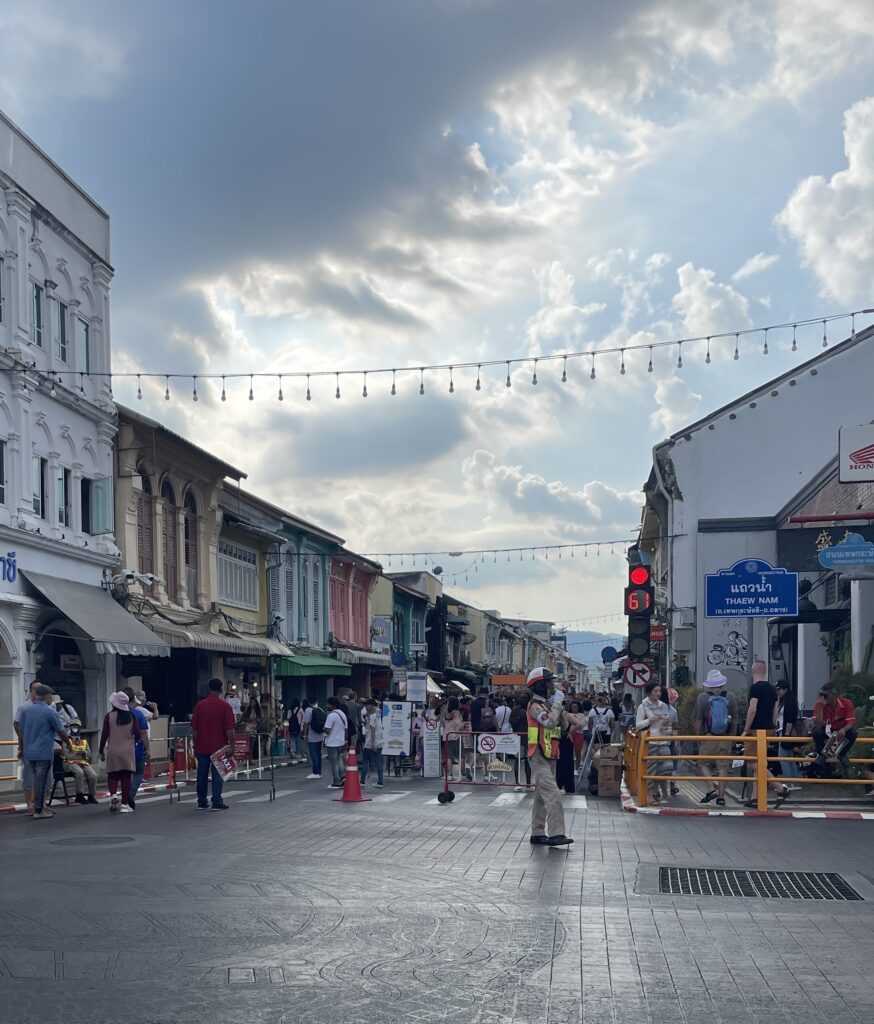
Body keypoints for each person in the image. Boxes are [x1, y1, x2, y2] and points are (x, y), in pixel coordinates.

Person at [526, 667, 575, 846]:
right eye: (548, 682)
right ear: (539, 685)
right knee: (553, 794)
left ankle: (537, 832)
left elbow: (562, 726)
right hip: (538, 754)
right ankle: (556, 834)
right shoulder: (535, 706)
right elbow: (549, 722)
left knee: (541, 795)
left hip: (550, 754)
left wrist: (560, 707)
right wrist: (556, 705)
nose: (551, 686)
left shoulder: (547, 704)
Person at [742, 659, 790, 807]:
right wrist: (774, 724)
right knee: (760, 759)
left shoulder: (755, 688)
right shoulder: (771, 689)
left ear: (753, 671)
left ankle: (779, 787)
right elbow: (775, 709)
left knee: (752, 762)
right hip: (769, 728)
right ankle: (756, 797)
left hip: (756, 728)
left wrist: (746, 729)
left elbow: (752, 709)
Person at [18, 684, 68, 820]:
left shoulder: (26, 711)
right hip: (43, 751)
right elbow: (60, 731)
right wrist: (68, 743)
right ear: (46, 696)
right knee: (42, 780)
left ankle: (38, 806)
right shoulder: (49, 711)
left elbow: (21, 731)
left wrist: (21, 748)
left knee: (34, 780)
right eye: (50, 695)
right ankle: (39, 809)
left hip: (29, 751)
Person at [190, 678, 236, 810]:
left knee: (202, 774)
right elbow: (229, 729)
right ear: (221, 689)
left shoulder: (200, 705)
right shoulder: (225, 706)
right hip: (219, 747)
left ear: (209, 688)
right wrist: (232, 746)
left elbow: (195, 729)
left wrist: (195, 745)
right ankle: (217, 801)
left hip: (202, 746)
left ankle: (201, 801)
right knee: (217, 774)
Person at [695, 669, 738, 806]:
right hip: (725, 737)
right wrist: (732, 735)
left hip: (709, 736)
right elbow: (735, 717)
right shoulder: (730, 696)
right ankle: (721, 797)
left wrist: (698, 736)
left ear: (708, 684)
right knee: (723, 767)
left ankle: (711, 789)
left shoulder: (703, 697)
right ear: (722, 683)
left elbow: (699, 719)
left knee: (702, 763)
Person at [99, 691, 145, 814]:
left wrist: (101, 750)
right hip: (128, 750)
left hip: (113, 749)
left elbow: (104, 734)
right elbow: (138, 733)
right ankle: (124, 804)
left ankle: (113, 795)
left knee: (112, 775)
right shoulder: (131, 716)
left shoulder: (109, 716)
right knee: (126, 777)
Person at [14, 679, 46, 815]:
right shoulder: (24, 707)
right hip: (29, 748)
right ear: (30, 691)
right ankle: (29, 805)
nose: (37, 692)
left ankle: (42, 804)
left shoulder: (47, 707)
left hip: (44, 748)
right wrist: (22, 743)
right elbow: (16, 724)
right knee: (29, 778)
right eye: (34, 689)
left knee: (44, 778)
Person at [636, 682, 671, 804]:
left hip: (663, 739)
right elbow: (638, 725)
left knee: (666, 768)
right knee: (650, 769)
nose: (658, 693)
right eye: (655, 691)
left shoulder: (663, 706)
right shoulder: (643, 706)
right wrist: (649, 720)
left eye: (659, 691)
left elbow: (667, 722)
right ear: (649, 692)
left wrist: (665, 722)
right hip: (649, 741)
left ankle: (665, 794)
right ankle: (650, 795)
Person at [812, 682, 857, 776]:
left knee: (852, 732)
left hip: (840, 730)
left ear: (833, 695)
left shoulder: (846, 703)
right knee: (817, 732)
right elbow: (817, 724)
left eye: (825, 695)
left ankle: (838, 754)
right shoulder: (819, 704)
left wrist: (844, 729)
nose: (822, 697)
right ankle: (826, 756)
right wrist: (820, 707)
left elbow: (851, 722)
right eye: (821, 695)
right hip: (827, 730)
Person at [123, 687, 151, 804]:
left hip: (121, 748)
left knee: (125, 774)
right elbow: (144, 733)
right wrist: (148, 749)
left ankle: (124, 796)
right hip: (136, 748)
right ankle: (131, 794)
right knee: (139, 772)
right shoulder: (138, 714)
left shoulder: (115, 714)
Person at [64, 719, 98, 804]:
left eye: (76, 727)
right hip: (70, 762)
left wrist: (82, 753)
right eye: (73, 726)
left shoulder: (83, 740)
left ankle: (91, 795)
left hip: (83, 762)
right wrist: (78, 753)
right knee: (79, 773)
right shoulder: (66, 739)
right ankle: (79, 795)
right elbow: (66, 754)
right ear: (70, 728)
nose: (75, 728)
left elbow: (89, 754)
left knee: (93, 775)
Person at [775, 681, 801, 787]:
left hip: (786, 732)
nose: (778, 692)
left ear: (785, 689)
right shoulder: (784, 701)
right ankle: (795, 782)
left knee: (783, 757)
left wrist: (786, 734)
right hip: (783, 730)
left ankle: (790, 783)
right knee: (789, 757)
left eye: (780, 689)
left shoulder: (789, 701)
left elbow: (790, 719)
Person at [324, 696, 348, 789]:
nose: (327, 706)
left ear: (332, 705)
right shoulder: (343, 714)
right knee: (340, 761)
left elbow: (328, 730)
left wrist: (323, 729)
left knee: (334, 763)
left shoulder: (331, 716)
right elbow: (346, 729)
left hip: (332, 743)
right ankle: (343, 778)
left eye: (328, 704)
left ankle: (336, 781)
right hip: (341, 742)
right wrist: (345, 741)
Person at [361, 698, 384, 787]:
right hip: (380, 741)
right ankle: (380, 781)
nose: (365, 707)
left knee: (365, 761)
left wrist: (373, 743)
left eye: (367, 705)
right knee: (379, 762)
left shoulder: (372, 716)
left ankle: (362, 781)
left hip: (370, 742)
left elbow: (373, 729)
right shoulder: (378, 712)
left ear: (371, 705)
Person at [509, 697, 531, 786]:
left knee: (527, 761)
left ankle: (528, 782)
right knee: (518, 760)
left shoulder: (530, 710)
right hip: (519, 738)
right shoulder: (516, 710)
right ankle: (517, 782)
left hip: (528, 738)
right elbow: (511, 721)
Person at [303, 698, 325, 779]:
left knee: (313, 754)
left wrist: (305, 735)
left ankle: (315, 772)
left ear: (309, 702)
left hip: (312, 735)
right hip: (320, 735)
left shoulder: (308, 710)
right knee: (319, 754)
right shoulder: (320, 709)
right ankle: (319, 771)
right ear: (316, 702)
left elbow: (306, 723)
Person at [241, 695, 263, 759]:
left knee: (253, 743)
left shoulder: (258, 710)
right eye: (251, 702)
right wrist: (249, 720)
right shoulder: (247, 710)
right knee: (248, 743)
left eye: (253, 702)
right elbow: (243, 718)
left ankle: (252, 756)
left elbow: (261, 718)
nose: (252, 704)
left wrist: (257, 720)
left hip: (255, 727)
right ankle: (248, 757)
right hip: (248, 727)